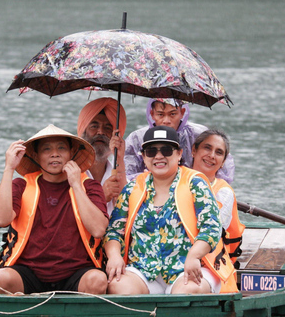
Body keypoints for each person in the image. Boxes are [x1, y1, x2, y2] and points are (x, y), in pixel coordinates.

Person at [104, 126, 238, 295]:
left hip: (191, 267)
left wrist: (194, 256)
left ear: (179, 153)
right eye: (151, 151)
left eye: (166, 150)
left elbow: (211, 228)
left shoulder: (196, 184)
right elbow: (114, 231)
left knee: (187, 292)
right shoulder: (132, 188)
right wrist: (115, 256)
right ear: (144, 156)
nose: (159, 156)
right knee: (118, 286)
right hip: (144, 270)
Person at [0, 124, 109, 295]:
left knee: (97, 281)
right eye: (47, 149)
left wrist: (75, 184)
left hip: (77, 272)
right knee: (0, 280)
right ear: (36, 156)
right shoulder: (21, 185)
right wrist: (9, 168)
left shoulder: (89, 186)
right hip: (29, 272)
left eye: (61, 148)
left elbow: (98, 229)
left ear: (71, 153)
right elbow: (1, 220)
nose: (55, 154)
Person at [124, 98, 235, 183]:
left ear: (182, 112)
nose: (166, 121)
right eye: (160, 114)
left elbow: (221, 163)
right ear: (152, 114)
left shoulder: (199, 134)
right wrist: (149, 178)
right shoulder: (137, 139)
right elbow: (126, 175)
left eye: (173, 114)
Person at [192, 129, 245, 265]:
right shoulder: (175, 180)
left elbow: (212, 232)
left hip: (209, 260)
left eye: (219, 152)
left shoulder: (224, 193)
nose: (212, 155)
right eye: (207, 148)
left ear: (223, 162)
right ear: (193, 151)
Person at [77, 97, 127, 216]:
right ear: (83, 131)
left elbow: (130, 212)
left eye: (108, 128)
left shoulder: (118, 174)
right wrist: (102, 197)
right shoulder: (71, 174)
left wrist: (119, 158)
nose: (100, 132)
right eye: (94, 126)